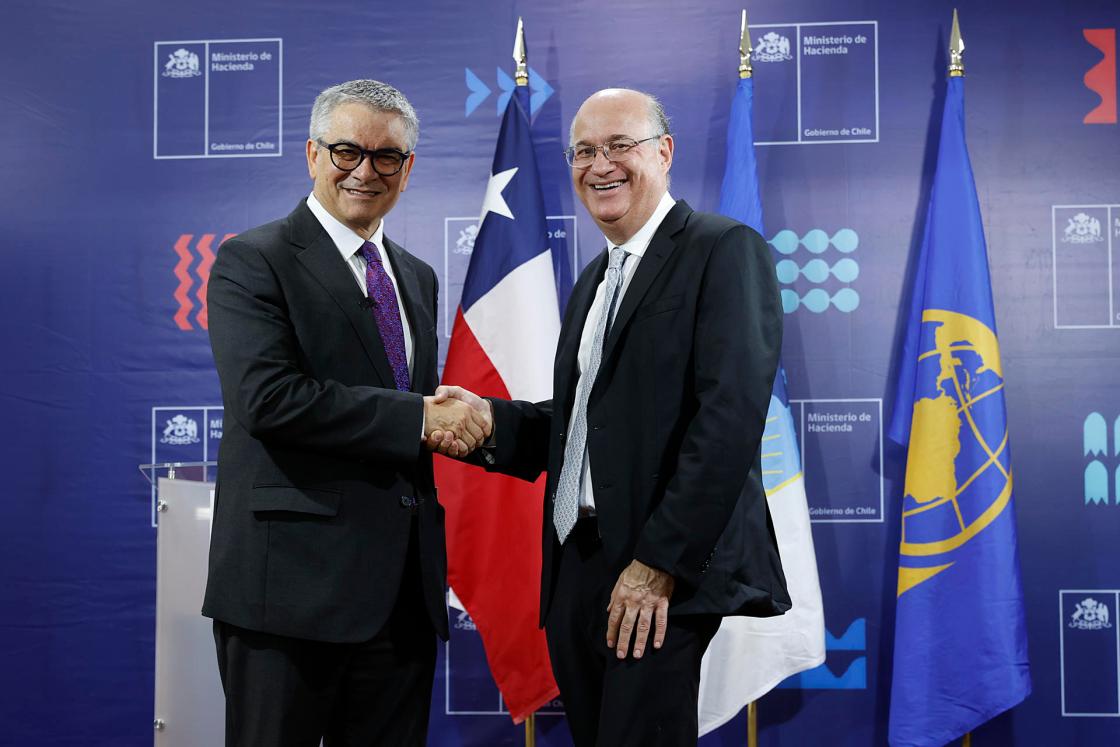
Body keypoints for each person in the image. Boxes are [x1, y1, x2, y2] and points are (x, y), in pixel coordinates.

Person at [431, 88, 791, 746]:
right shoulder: (594, 280)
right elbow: (579, 430)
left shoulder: (722, 249)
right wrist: (489, 422)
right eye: (585, 151)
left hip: (659, 568)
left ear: (665, 152)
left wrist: (658, 562)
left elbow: (728, 419)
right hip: (578, 564)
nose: (602, 165)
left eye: (620, 145)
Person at [203, 79, 490, 747]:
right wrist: (417, 417)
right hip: (288, 598)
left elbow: (415, 416)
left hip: (401, 602)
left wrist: (473, 425)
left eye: (386, 156)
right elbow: (268, 398)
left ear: (408, 169)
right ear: (311, 154)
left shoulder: (415, 276)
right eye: (346, 151)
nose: (365, 170)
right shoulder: (253, 261)